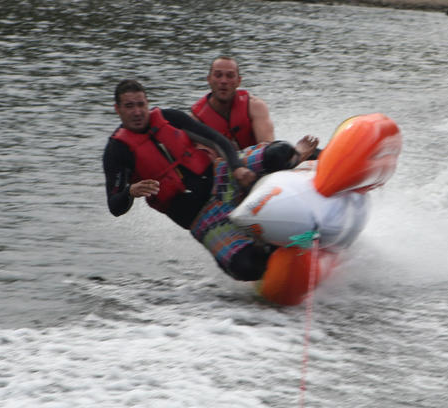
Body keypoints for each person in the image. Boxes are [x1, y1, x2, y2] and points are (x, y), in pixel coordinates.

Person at [103, 79, 302, 281]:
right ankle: (278, 253)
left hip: (223, 178)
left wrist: (237, 168)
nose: (137, 112)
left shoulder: (169, 118)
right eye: (129, 106)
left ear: (147, 103)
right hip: (202, 216)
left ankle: (305, 163)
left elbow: (217, 140)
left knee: (280, 152)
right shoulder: (117, 150)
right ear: (117, 109)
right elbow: (115, 206)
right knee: (246, 267)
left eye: (141, 104)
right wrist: (129, 192)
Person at [191, 55, 319, 158]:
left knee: (315, 153)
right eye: (218, 75)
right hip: (224, 174)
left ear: (238, 81)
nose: (223, 81)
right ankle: (297, 155)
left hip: (261, 165)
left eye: (230, 76)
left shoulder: (254, 106)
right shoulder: (196, 119)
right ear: (209, 79)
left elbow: (267, 149)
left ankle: (299, 156)